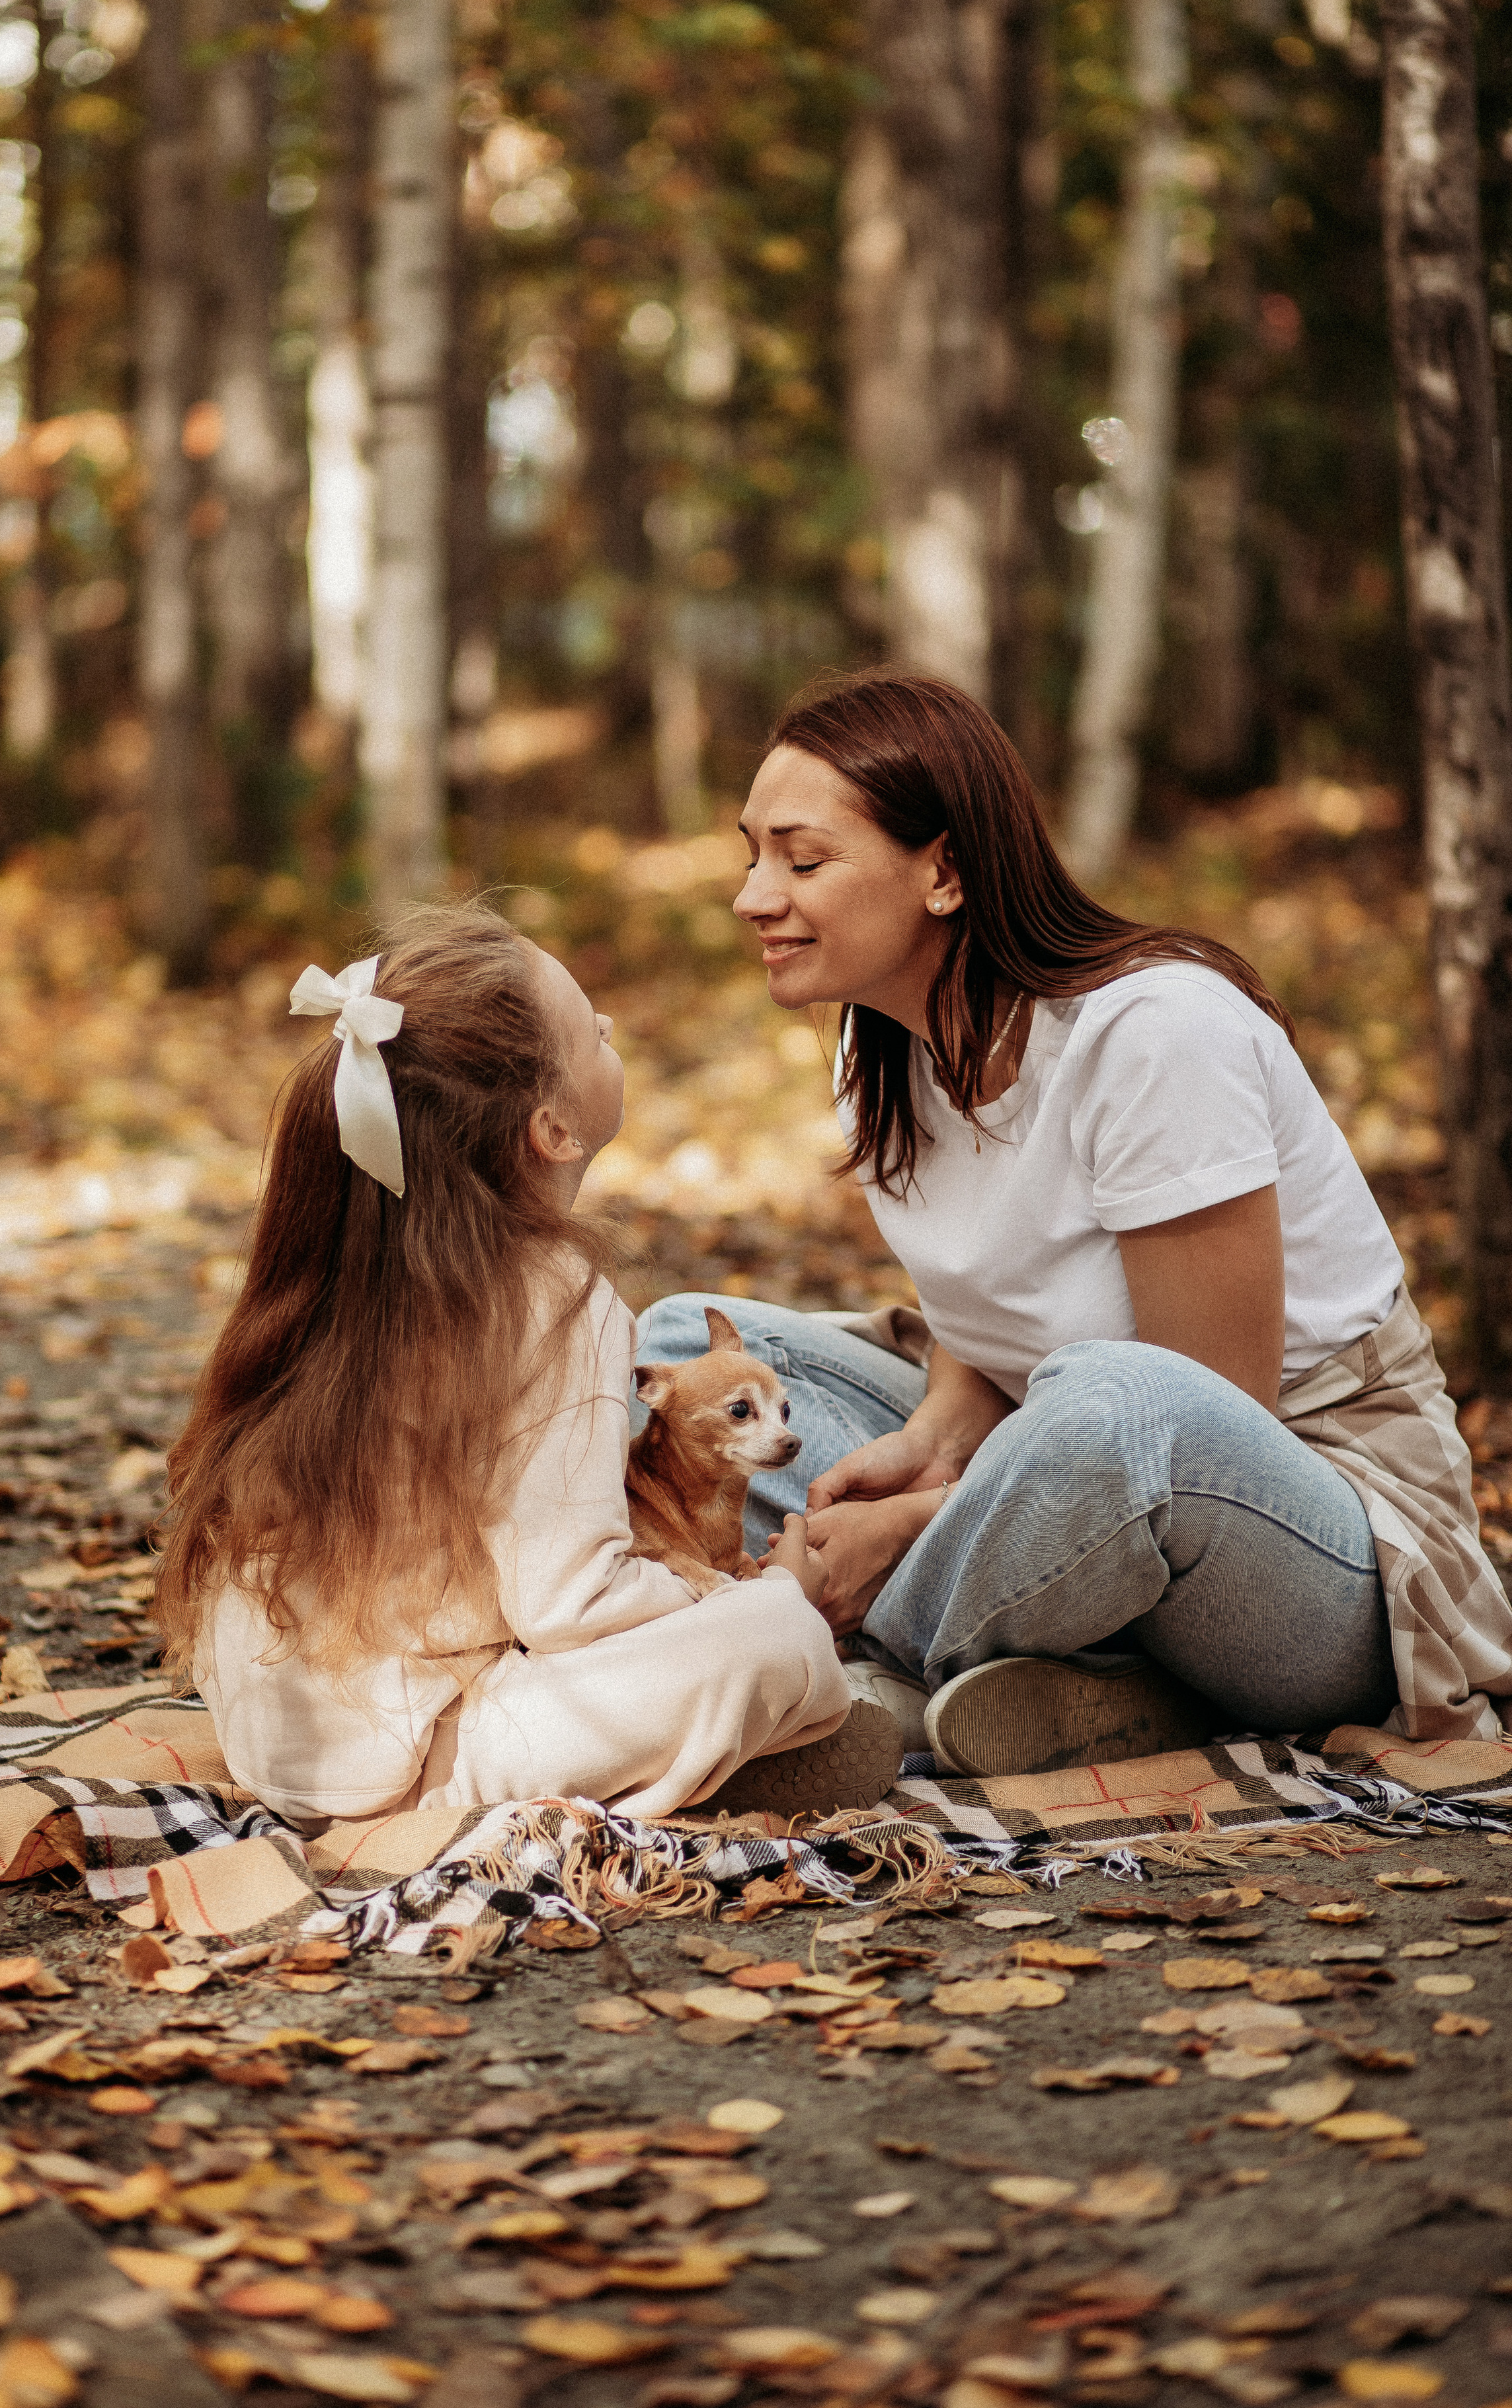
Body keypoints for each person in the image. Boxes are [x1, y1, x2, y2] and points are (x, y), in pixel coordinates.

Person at [638, 670, 1512, 1776]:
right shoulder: (880, 1043)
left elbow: (1198, 1417)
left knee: (1116, 1407)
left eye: (803, 861)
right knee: (681, 1348)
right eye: (752, 855)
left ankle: (826, 1671)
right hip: (1055, 1474)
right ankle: (1096, 1684)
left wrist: (911, 1521)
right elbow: (995, 1293)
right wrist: (930, 1440)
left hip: (1312, 1531)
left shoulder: (1154, 1032)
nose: (754, 896)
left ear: (944, 871)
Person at [154, 904, 867, 1827]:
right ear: (555, 1132)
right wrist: (760, 1593)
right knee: (774, 1638)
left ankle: (724, 1735)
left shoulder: (356, 1250)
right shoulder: (551, 1298)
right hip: (420, 1755)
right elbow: (574, 1602)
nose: (612, 1031)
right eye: (592, 1031)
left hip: (272, 1729)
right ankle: (730, 1747)